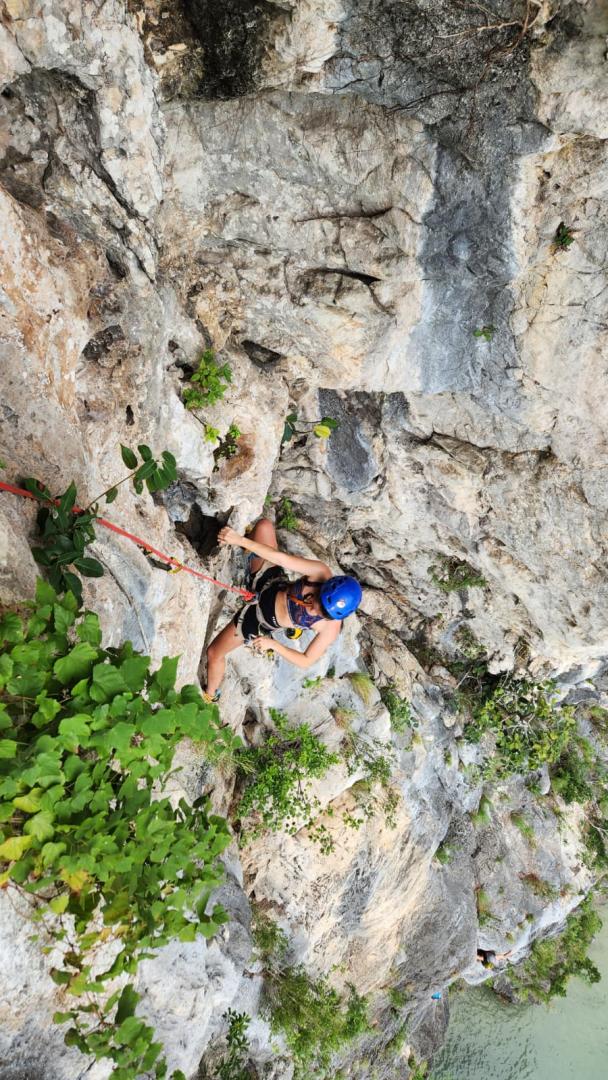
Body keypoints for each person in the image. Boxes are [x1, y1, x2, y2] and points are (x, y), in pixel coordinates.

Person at [203, 518, 362, 700]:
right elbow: (282, 559)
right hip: (270, 583)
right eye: (318, 600)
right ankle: (246, 554)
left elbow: (306, 660)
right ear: (326, 586)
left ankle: (210, 696)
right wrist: (239, 540)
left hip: (259, 618)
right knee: (264, 526)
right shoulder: (320, 572)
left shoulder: (331, 628)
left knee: (214, 653)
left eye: (324, 614)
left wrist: (274, 645)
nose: (314, 610)